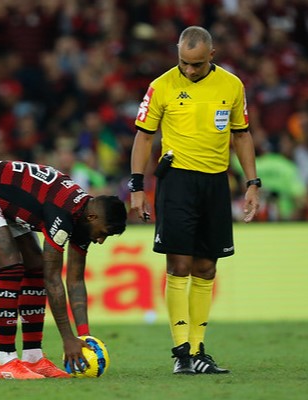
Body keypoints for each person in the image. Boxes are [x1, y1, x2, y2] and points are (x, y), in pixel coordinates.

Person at [128, 26, 260, 375]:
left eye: (197, 65)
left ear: (211, 56)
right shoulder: (162, 86)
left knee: (207, 267)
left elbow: (242, 135)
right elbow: (143, 138)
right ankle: (181, 352)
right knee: (179, 266)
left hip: (216, 183)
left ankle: (200, 351)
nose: (189, 70)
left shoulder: (232, 86)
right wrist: (137, 187)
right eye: (184, 63)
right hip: (177, 182)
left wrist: (252, 182)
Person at [0, 160, 127, 379]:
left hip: (4, 200)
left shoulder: (84, 218)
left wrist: (83, 335)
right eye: (103, 233)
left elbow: (75, 281)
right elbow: (53, 280)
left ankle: (34, 358)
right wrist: (67, 338)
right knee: (10, 268)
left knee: (36, 268)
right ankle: (6, 362)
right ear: (93, 218)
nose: (100, 240)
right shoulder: (63, 213)